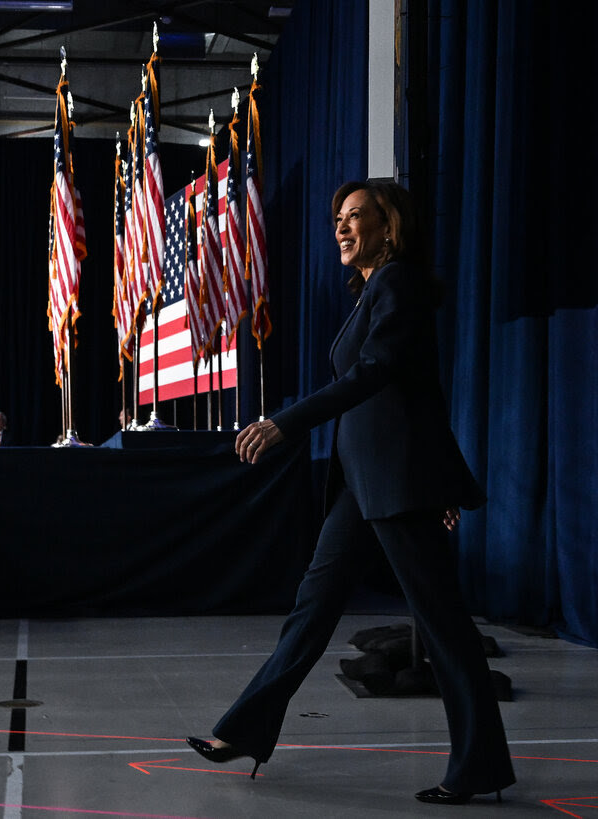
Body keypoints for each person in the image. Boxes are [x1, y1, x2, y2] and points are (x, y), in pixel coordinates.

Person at [185, 181, 515, 805]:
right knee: (311, 610)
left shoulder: (399, 285)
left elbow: (380, 377)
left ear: (390, 228)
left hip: (396, 484)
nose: (341, 227)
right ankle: (247, 729)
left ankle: (480, 766)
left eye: (356, 217)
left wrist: (286, 423)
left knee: (443, 627)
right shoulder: (371, 291)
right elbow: (414, 394)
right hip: (364, 487)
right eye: (338, 218)